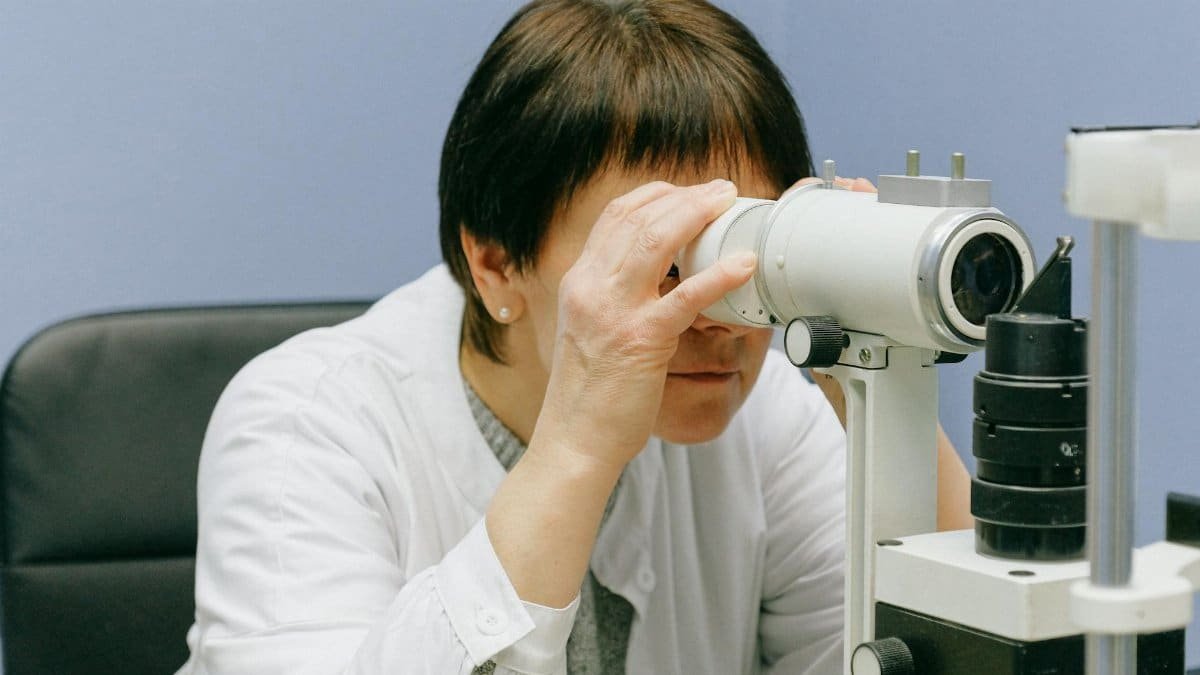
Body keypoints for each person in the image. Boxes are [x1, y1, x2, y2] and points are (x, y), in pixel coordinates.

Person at [175, 1, 971, 673]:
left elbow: (941, 649)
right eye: (656, 261)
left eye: (740, 255)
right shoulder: (302, 427)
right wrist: (578, 449)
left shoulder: (766, 422)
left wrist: (875, 386)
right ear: (493, 263)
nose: (711, 315)